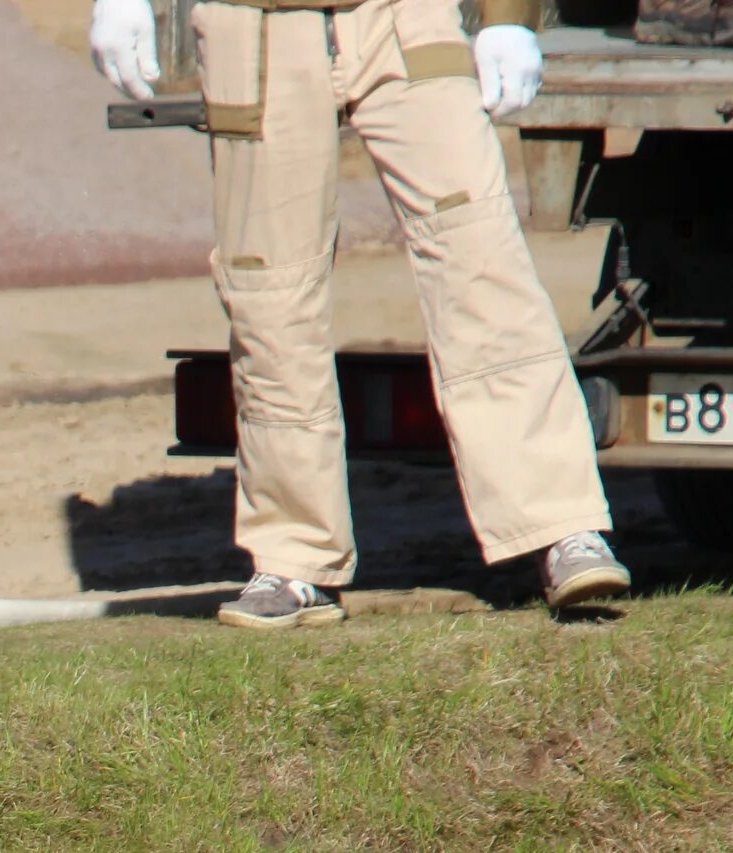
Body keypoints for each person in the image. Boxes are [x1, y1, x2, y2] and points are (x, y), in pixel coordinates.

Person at [91, 0, 631, 626]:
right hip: (255, 28)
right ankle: (294, 560)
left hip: (405, 17)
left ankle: (563, 527)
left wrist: (509, 17)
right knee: (269, 290)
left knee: (482, 261)